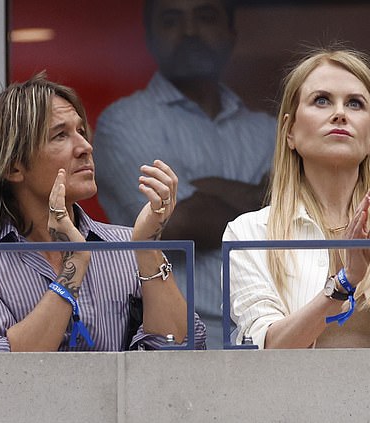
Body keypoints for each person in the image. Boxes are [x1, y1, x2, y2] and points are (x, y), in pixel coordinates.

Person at [0, 74, 206, 352]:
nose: (85, 147)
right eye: (60, 135)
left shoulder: (128, 248)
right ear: (12, 168)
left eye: (81, 132)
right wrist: (73, 265)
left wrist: (147, 248)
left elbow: (184, 356)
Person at [225, 49, 370, 349]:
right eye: (321, 100)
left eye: (355, 103)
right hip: (294, 396)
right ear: (289, 131)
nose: (340, 113)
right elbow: (267, 352)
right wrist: (344, 283)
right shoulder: (247, 234)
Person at [94, 0, 275, 348]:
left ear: (230, 33)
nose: (190, 31)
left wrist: (211, 193)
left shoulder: (267, 132)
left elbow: (291, 215)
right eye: (171, 19)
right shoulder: (124, 122)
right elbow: (174, 221)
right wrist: (259, 197)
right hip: (172, 340)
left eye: (205, 17)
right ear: (149, 37)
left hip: (266, 334)